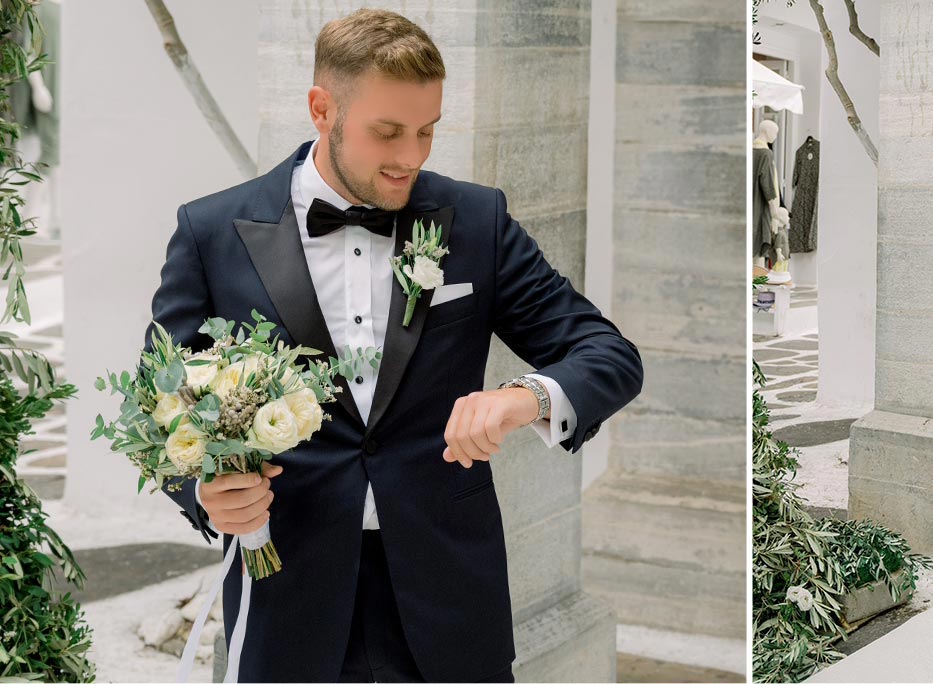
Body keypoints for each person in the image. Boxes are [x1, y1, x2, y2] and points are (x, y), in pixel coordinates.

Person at [142, 9, 643, 682]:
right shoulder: (211, 232)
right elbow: (158, 398)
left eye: (428, 130)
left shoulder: (477, 222)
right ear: (323, 109)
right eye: (388, 131)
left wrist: (524, 397)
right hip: (285, 599)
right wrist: (204, 490)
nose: (412, 154)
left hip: (449, 604)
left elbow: (607, 354)